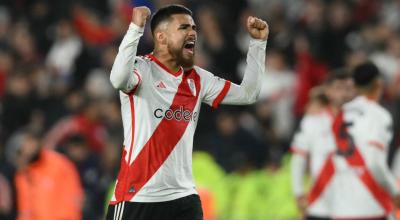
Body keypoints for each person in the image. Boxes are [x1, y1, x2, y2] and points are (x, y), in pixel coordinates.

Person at [107, 4, 268, 220]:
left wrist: (258, 44)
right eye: (183, 27)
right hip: (138, 196)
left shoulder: (198, 79)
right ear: (161, 37)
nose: (192, 32)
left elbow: (249, 93)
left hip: (183, 198)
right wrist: (135, 29)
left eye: (194, 28)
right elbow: (117, 79)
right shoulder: (141, 70)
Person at [290, 71, 353, 219]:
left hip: (353, 205)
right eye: (339, 88)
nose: (344, 93)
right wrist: (298, 193)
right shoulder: (312, 122)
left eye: (348, 88)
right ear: (328, 91)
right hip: (320, 205)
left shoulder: (363, 122)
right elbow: (298, 159)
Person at [6, 128, 83, 220]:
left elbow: (73, 203)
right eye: (18, 155)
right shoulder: (21, 176)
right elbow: (25, 211)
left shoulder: (59, 164)